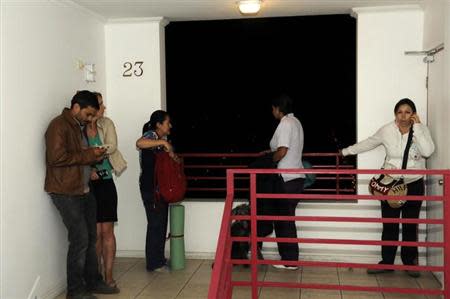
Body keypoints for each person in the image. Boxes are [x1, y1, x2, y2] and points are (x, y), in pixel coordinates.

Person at [340, 98, 435, 278]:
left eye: (408, 112)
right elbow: (369, 142)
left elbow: (428, 151)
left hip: (413, 183)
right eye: (400, 112)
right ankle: (387, 262)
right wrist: (346, 151)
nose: (403, 116)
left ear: (413, 114)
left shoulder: (421, 130)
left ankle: (410, 263)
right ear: (395, 114)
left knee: (410, 225)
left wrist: (419, 129)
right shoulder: (387, 130)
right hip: (390, 184)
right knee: (389, 224)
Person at [45, 91, 120, 299]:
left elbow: (76, 157)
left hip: (83, 189)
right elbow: (56, 158)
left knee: (90, 236)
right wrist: (90, 155)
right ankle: (75, 291)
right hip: (65, 191)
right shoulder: (58, 126)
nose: (89, 119)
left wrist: (93, 157)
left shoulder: (76, 126)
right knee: (80, 239)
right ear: (76, 107)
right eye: (88, 114)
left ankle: (93, 281)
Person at [86, 92, 126, 291]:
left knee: (107, 231)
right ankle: (96, 277)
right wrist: (90, 167)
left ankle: (109, 277)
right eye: (101, 104)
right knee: (95, 234)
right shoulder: (79, 128)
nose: (104, 108)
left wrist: (93, 156)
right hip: (87, 185)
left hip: (106, 181)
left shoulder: (106, 123)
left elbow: (111, 146)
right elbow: (76, 153)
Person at [261, 94, 305, 270]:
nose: (272, 112)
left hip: (287, 178)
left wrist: (268, 161)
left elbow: (283, 151)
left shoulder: (285, 124)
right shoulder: (296, 122)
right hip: (295, 178)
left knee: (284, 219)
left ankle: (289, 260)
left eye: (273, 108)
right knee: (286, 219)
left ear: (278, 109)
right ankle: (289, 258)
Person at [136, 110, 179, 271]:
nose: (170, 126)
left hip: (160, 189)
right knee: (155, 224)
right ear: (159, 124)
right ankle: (153, 263)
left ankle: (159, 259)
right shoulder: (151, 135)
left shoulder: (161, 140)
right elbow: (139, 143)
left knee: (161, 224)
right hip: (151, 189)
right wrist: (163, 144)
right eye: (168, 123)